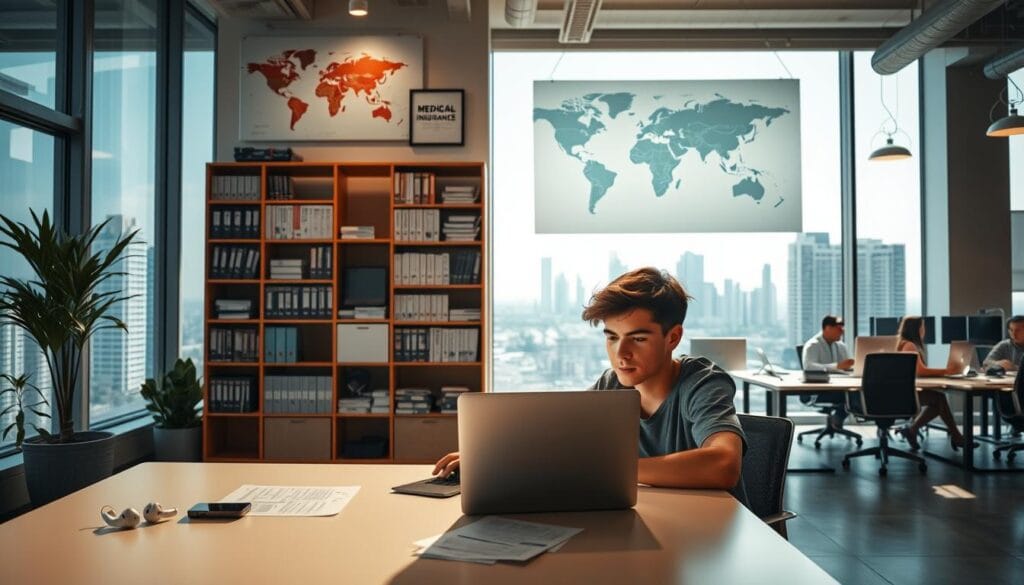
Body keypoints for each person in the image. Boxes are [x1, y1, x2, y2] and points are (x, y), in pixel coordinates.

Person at [433, 267, 746, 495]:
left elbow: (724, 465)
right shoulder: (612, 385)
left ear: (673, 337)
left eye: (637, 339)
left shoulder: (702, 383)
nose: (621, 353)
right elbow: (561, 437)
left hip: (714, 539)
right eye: (611, 338)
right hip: (657, 526)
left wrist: (610, 470)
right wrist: (492, 456)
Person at [894, 315, 972, 451]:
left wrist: (946, 371)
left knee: (937, 401)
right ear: (917, 329)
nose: (924, 330)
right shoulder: (909, 345)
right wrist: (947, 371)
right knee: (938, 399)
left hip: (903, 391)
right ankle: (956, 436)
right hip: (905, 395)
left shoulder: (905, 343)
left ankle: (912, 430)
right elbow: (920, 371)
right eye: (923, 327)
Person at [801, 315, 854, 428]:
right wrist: (836, 366)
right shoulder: (813, 345)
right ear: (828, 328)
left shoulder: (841, 346)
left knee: (856, 394)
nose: (842, 332)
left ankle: (837, 419)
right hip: (817, 391)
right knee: (851, 396)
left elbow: (845, 367)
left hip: (838, 387)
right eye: (839, 329)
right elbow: (809, 366)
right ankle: (838, 418)